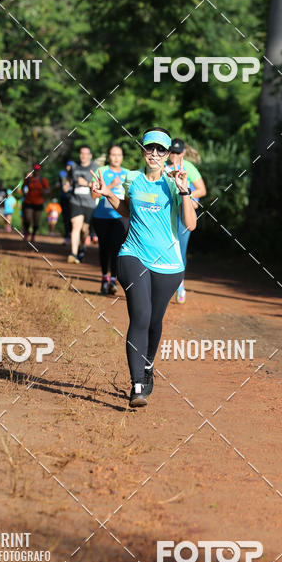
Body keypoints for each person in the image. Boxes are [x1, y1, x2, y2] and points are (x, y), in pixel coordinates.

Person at [92, 127, 196, 408]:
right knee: (140, 316)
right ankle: (137, 385)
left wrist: (184, 191)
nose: (155, 153)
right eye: (150, 148)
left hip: (168, 264)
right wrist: (107, 194)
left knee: (154, 320)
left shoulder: (174, 182)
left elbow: (190, 224)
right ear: (142, 150)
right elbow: (127, 210)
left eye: (161, 149)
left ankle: (148, 364)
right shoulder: (132, 178)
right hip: (133, 254)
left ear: (168, 154)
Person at [166, 138, 206, 302]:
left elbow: (202, 190)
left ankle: (180, 284)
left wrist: (185, 195)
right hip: (165, 214)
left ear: (183, 153)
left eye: (177, 152)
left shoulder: (188, 167)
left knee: (180, 251)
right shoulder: (162, 167)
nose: (174, 155)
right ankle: (164, 284)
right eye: (172, 152)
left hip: (183, 214)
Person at [92, 145, 130, 294]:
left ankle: (113, 279)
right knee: (104, 247)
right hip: (102, 216)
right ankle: (104, 277)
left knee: (117, 247)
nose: (116, 158)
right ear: (109, 156)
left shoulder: (128, 174)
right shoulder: (101, 171)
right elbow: (94, 195)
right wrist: (111, 185)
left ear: (122, 157)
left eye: (119, 155)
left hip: (120, 216)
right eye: (113, 155)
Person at [67, 146, 97, 263]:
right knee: (75, 226)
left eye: (86, 153)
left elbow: (99, 185)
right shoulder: (74, 167)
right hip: (75, 201)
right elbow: (69, 181)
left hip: (90, 203)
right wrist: (67, 185)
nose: (84, 156)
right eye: (81, 153)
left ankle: (82, 248)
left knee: (84, 230)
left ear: (90, 155)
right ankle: (73, 254)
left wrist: (87, 184)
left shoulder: (95, 167)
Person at [21, 164, 49, 244]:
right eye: (35, 170)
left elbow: (48, 190)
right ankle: (27, 232)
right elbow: (23, 187)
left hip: (39, 203)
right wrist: (24, 193)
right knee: (28, 218)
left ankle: (33, 235)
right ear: (33, 170)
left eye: (38, 170)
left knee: (36, 221)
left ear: (40, 171)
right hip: (28, 201)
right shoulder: (28, 179)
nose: (36, 171)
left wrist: (45, 192)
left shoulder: (43, 180)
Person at [59, 160, 75, 244]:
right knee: (66, 218)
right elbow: (61, 185)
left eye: (71, 166)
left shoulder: (77, 174)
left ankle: (73, 235)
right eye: (68, 165)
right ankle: (67, 235)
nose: (69, 167)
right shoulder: (62, 174)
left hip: (74, 199)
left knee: (73, 218)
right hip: (64, 198)